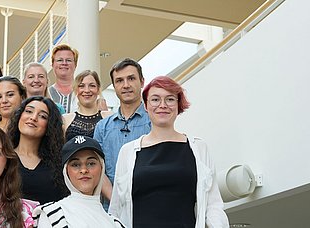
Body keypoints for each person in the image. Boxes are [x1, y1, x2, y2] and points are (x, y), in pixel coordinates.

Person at [109, 76, 229, 227]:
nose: (162, 105)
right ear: (145, 105)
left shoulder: (198, 148)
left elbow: (213, 205)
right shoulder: (128, 152)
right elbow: (116, 209)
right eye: (155, 99)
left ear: (179, 105)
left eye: (170, 99)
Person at [34, 135, 125, 228]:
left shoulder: (115, 223)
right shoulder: (52, 214)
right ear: (66, 171)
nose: (84, 170)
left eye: (91, 163)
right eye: (75, 165)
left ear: (102, 168)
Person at [93, 58, 152, 188]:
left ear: (142, 82)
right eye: (119, 80)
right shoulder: (102, 127)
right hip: (110, 206)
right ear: (114, 86)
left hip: (147, 202)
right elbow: (97, 170)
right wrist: (115, 202)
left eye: (131, 78)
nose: (126, 85)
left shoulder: (154, 122)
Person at [7, 96, 69, 205]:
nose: (33, 118)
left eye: (43, 116)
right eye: (29, 111)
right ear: (19, 116)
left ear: (49, 126)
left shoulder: (59, 164)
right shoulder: (3, 156)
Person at [63, 70, 112, 141]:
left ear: (98, 89)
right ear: (76, 90)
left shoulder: (109, 118)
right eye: (81, 86)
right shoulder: (66, 119)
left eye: (92, 86)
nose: (87, 90)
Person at [48, 44, 78, 114]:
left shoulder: (85, 92)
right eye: (60, 60)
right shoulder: (46, 93)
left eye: (69, 60)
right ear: (52, 64)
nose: (64, 63)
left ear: (75, 64)